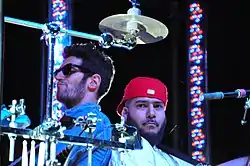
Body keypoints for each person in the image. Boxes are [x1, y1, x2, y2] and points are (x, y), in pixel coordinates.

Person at [109, 76, 204, 166]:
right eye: (142, 105)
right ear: (125, 112)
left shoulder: (172, 160)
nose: (151, 113)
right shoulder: (109, 149)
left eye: (157, 106)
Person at [54, 42, 115, 165]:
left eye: (68, 70)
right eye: (58, 71)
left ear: (93, 82)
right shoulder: (65, 124)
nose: (58, 77)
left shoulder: (96, 125)